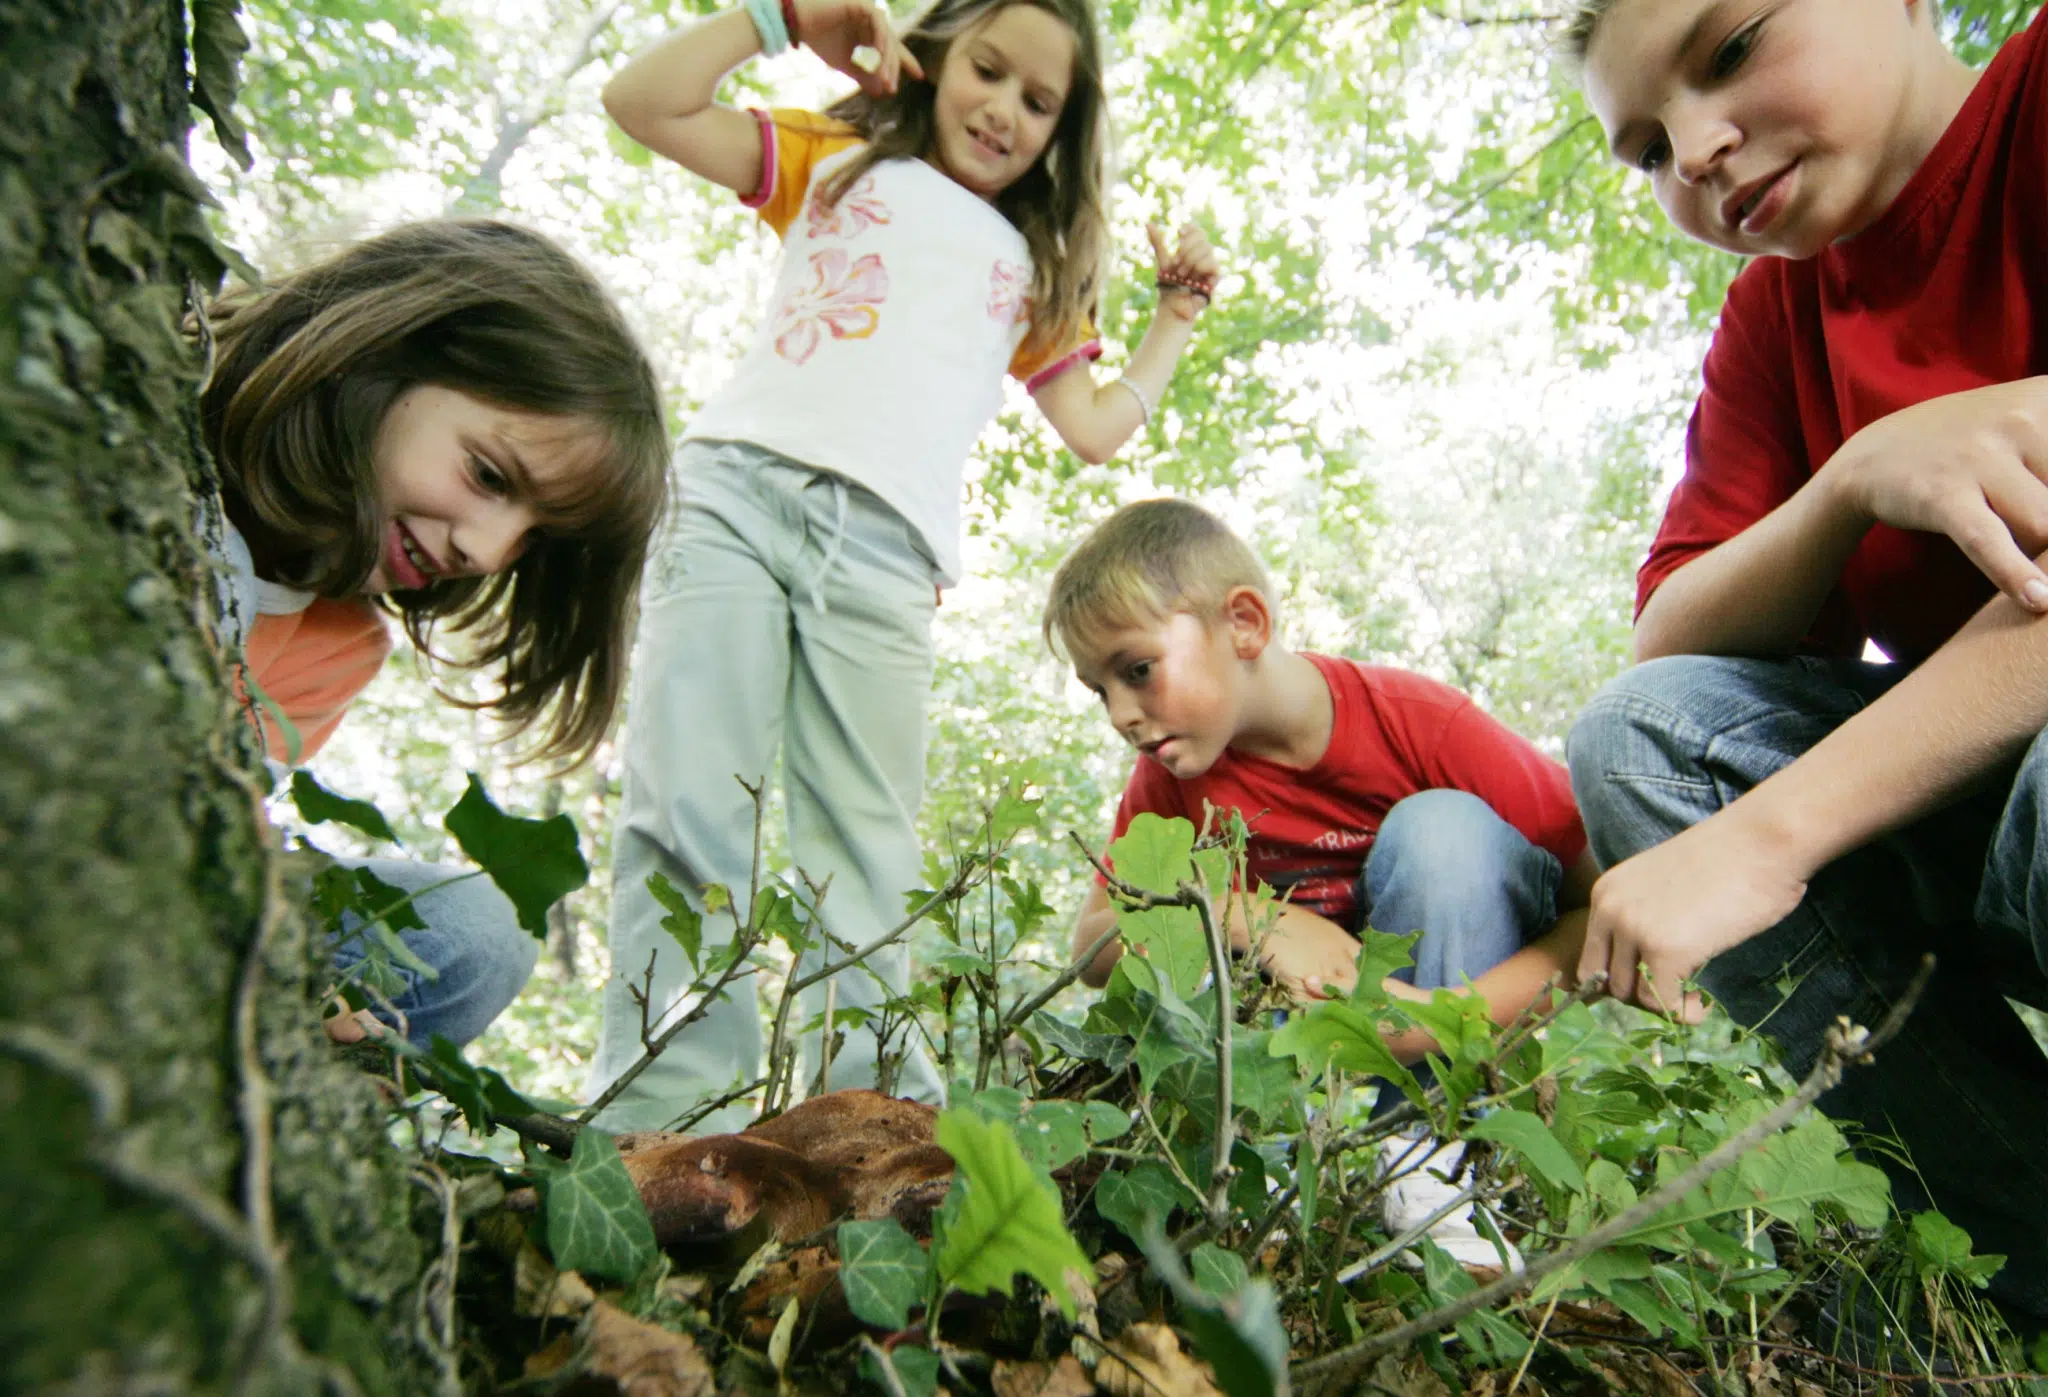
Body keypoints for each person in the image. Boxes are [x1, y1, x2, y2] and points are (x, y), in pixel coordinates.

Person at [592, 0, 1221, 1131]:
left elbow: (1095, 426)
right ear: (932, 59)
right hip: (736, 496)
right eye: (988, 71)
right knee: (686, 805)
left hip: (883, 554)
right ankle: (666, 1118)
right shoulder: (832, 161)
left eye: (1040, 103)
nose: (1004, 110)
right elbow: (642, 103)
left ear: (1061, 134)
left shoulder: (1030, 263)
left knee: (862, 843)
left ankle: (857, 1122)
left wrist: (1172, 317)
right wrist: (774, 15)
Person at [1561, 0, 2048, 1321]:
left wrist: (1774, 836)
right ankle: (2025, 1254)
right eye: (1645, 147)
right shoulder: (1779, 319)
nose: (1697, 151)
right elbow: (1668, 635)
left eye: (1729, 51)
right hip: (1981, 809)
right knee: (1638, 736)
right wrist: (1851, 481)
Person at [1047, 498, 1595, 1266]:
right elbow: (1093, 946)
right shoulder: (1167, 782)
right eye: (1100, 689)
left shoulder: (1419, 723)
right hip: (1313, 1052)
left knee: (1443, 830)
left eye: (1136, 670)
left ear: (1245, 624)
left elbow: (1603, 913)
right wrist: (1248, 913)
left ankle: (1432, 1165)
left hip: (1464, 1009)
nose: (1120, 714)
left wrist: (1444, 1019)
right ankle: (1275, 1178)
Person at [202, 218, 669, 1048]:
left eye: (531, 539)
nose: (485, 550)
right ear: (383, 351)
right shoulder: (158, 410)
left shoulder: (339, 642)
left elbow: (213, 823)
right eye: (488, 475)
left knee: (481, 935)